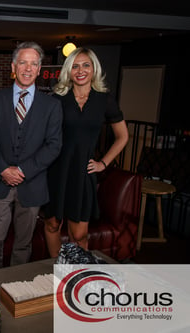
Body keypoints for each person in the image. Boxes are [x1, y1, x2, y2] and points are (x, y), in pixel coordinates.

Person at [0, 41, 63, 269]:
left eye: (33, 64)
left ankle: (15, 288)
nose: (28, 68)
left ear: (39, 69)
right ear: (13, 66)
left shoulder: (51, 106)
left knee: (23, 244)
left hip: (33, 184)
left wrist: (23, 171)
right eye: (23, 63)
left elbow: (54, 145)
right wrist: (2, 169)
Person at [43, 47, 129, 257]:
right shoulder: (57, 98)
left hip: (83, 173)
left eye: (85, 65)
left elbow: (123, 136)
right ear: (68, 71)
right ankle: (56, 270)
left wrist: (103, 163)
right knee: (53, 224)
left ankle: (77, 277)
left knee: (79, 234)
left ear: (94, 69)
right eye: (75, 66)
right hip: (57, 170)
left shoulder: (104, 100)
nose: (80, 70)